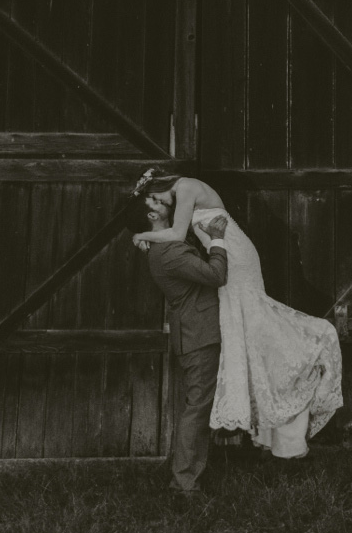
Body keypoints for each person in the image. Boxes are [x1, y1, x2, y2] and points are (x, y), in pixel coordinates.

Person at [129, 168, 343, 459]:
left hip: (233, 254)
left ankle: (308, 346)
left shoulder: (188, 186)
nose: (157, 204)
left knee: (250, 321)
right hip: (227, 252)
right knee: (247, 331)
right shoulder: (182, 194)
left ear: (161, 184)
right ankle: (272, 404)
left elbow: (178, 234)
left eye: (155, 197)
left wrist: (141, 235)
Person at [124, 192, 229, 496]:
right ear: (151, 216)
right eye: (154, 202)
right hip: (199, 335)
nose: (162, 201)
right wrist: (218, 239)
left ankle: (185, 475)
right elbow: (216, 274)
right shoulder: (168, 252)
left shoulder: (164, 244)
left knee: (197, 406)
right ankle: (183, 484)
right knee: (197, 408)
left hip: (198, 332)